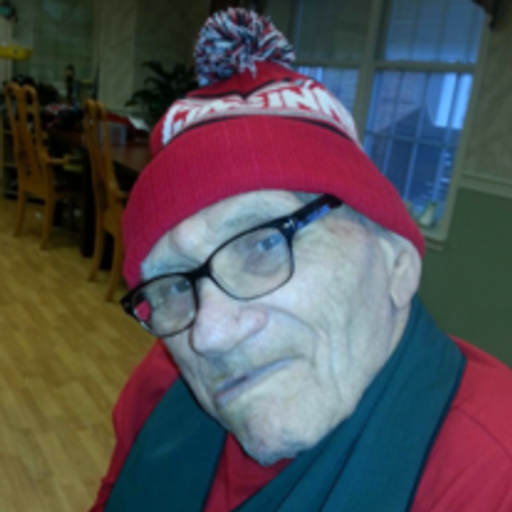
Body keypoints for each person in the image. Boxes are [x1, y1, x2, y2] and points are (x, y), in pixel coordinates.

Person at [90, 9, 512, 512]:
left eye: (262, 244)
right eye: (175, 285)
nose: (209, 336)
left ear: (397, 265)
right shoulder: (159, 390)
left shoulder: (490, 474)